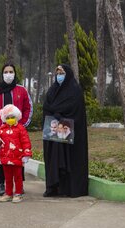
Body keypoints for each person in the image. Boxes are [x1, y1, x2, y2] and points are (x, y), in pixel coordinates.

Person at [42, 64, 88, 198]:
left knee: (69, 159)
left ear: (67, 74)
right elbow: (47, 107)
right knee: (53, 158)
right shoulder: (52, 90)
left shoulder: (75, 90)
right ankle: (53, 187)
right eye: (57, 73)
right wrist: (55, 114)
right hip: (54, 131)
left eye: (61, 73)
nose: (59, 75)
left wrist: (60, 114)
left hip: (69, 133)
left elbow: (75, 109)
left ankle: (69, 188)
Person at [0, 63, 33, 196]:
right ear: (2, 74)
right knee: (1, 158)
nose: (8, 74)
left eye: (11, 71)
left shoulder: (21, 90)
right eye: (6, 72)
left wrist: (23, 125)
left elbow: (28, 108)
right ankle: (1, 184)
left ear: (15, 73)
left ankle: (19, 185)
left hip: (17, 132)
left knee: (18, 158)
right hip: (1, 133)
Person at [0, 104, 32, 203]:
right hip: (5, 157)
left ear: (16, 117)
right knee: (8, 178)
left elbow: (26, 141)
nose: (10, 119)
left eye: (12, 117)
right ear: (4, 118)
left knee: (18, 177)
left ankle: (18, 193)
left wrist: (26, 153)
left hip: (17, 157)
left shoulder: (21, 128)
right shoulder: (2, 129)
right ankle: (8, 193)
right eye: (8, 118)